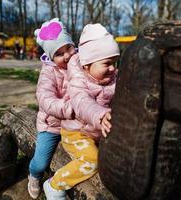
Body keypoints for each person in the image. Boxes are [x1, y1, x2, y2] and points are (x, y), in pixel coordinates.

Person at [43, 24, 120, 199]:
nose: (112, 68)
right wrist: (99, 115)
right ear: (86, 65)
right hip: (76, 132)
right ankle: (55, 185)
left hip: (99, 130)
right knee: (92, 160)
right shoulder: (78, 82)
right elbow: (82, 103)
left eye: (115, 63)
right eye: (107, 64)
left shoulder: (113, 77)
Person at [27, 18, 76, 199]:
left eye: (69, 48)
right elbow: (45, 98)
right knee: (41, 162)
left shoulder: (80, 64)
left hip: (77, 123)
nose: (66, 56)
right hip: (53, 125)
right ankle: (34, 175)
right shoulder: (49, 72)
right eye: (59, 53)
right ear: (50, 56)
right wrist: (69, 108)